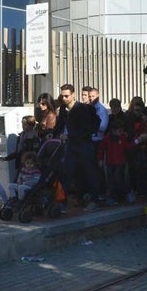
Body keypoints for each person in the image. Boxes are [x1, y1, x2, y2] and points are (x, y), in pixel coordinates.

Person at [55, 83, 101, 212]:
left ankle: (94, 200)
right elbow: (60, 124)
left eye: (66, 96)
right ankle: (64, 202)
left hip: (85, 145)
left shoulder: (82, 109)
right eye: (62, 96)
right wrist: (52, 134)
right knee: (67, 172)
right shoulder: (64, 109)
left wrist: (68, 136)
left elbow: (86, 130)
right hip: (72, 145)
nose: (64, 99)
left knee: (89, 172)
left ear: (73, 95)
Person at [96, 121, 132, 206]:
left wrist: (136, 141)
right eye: (120, 131)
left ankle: (123, 194)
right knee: (111, 180)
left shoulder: (122, 137)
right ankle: (114, 197)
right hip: (110, 162)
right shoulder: (107, 138)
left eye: (122, 131)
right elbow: (101, 149)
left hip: (120, 162)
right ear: (114, 131)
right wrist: (100, 159)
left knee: (119, 179)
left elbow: (128, 146)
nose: (121, 132)